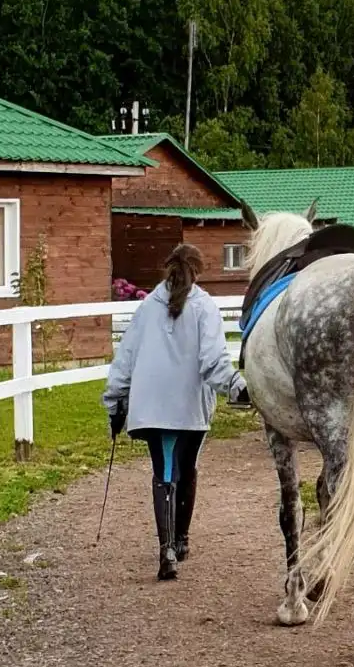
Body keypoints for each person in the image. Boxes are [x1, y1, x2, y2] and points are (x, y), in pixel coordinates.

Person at [102, 244, 250, 580]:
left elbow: (124, 359)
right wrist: (236, 385)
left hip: (152, 405)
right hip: (188, 407)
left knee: (164, 471)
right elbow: (213, 363)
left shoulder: (146, 308)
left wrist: (115, 402)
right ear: (198, 271)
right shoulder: (204, 307)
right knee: (187, 468)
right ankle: (179, 541)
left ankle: (167, 549)